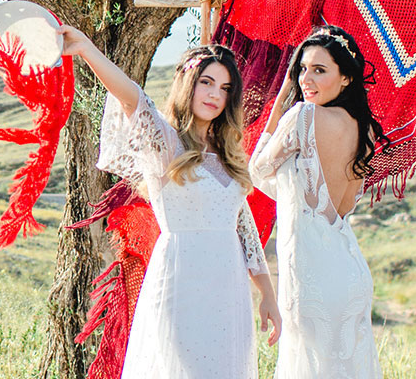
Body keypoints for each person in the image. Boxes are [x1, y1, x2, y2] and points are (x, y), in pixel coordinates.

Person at [60, 25, 281, 379]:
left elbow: (242, 227)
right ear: (188, 84)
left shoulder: (228, 153)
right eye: (206, 82)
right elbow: (132, 98)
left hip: (229, 287)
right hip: (183, 279)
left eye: (224, 88)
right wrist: (86, 49)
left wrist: (267, 294)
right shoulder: (166, 143)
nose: (214, 94)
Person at [249, 25, 389, 379]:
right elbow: (340, 204)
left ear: (346, 78)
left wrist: (281, 100)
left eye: (319, 70)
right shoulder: (364, 130)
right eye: (302, 69)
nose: (305, 79)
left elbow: (257, 168)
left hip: (310, 275)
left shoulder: (302, 116)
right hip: (349, 270)